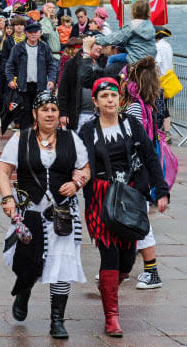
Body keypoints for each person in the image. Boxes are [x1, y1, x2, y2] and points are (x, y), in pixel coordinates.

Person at [78, 77, 169, 337]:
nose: (110, 100)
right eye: (104, 96)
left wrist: (161, 190)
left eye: (114, 96)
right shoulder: (87, 131)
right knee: (110, 254)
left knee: (127, 260)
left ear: (120, 100)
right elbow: (80, 163)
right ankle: (112, 317)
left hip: (130, 197)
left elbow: (151, 157)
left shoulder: (131, 125)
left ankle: (111, 286)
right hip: (100, 198)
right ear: (95, 101)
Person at [0, 91, 90, 339]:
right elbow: (2, 172)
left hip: (62, 215)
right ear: (35, 114)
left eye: (54, 109)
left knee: (62, 264)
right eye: (45, 109)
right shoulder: (21, 139)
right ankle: (24, 291)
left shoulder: (72, 139)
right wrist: (7, 199)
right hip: (30, 213)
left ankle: (57, 320)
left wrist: (76, 183)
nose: (50, 113)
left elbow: (85, 169)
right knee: (28, 262)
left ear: (59, 114)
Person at [120, 57, 168, 289]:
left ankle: (151, 272)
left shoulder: (135, 107)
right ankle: (123, 268)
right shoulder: (148, 104)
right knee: (132, 220)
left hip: (135, 173)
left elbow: (131, 140)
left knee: (139, 222)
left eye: (125, 77)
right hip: (143, 173)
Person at [6, 22, 57, 129]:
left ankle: (39, 131)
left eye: (36, 32)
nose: (33, 35)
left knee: (40, 109)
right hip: (23, 85)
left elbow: (52, 64)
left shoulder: (44, 47)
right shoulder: (18, 47)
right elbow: (10, 64)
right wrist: (10, 79)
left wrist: (52, 79)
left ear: (40, 33)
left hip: (40, 85)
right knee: (25, 110)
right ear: (26, 34)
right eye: (30, 32)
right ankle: (25, 133)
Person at [58, 36, 107, 132]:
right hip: (78, 115)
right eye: (97, 44)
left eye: (101, 45)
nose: (100, 47)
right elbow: (63, 90)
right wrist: (63, 113)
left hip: (97, 115)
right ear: (87, 46)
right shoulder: (72, 63)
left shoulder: (102, 63)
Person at [96, 0, 157, 68]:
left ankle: (106, 77)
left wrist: (97, 40)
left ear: (134, 11)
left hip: (135, 58)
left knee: (111, 58)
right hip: (150, 59)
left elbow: (115, 38)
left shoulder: (132, 25)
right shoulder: (150, 24)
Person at [154, 26, 174, 142]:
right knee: (164, 105)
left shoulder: (157, 46)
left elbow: (157, 63)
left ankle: (166, 132)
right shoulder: (167, 45)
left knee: (162, 106)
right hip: (168, 78)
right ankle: (165, 131)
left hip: (160, 80)